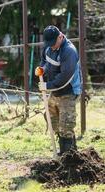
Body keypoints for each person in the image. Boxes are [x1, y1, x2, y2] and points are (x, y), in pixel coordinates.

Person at [35, 25, 82, 154]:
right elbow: (45, 60)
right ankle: (70, 149)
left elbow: (65, 77)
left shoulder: (69, 51)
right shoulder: (48, 47)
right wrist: (42, 68)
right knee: (50, 116)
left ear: (60, 36)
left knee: (66, 123)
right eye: (49, 44)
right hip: (56, 90)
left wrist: (47, 86)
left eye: (54, 43)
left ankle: (68, 158)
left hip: (69, 90)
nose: (52, 46)